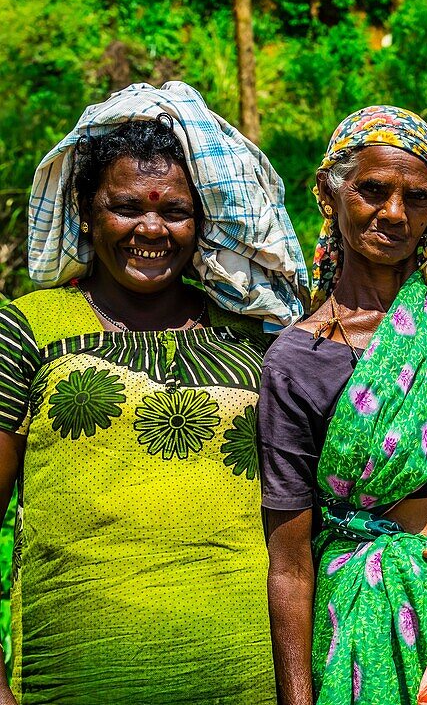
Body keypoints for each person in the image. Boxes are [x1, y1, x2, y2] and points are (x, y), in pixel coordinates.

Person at [0, 81, 310, 704]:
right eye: (125, 207)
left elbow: (300, 531)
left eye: (174, 211)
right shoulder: (29, 327)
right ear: (86, 212)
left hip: (244, 683)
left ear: (204, 224)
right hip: (72, 685)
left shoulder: (258, 342)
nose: (151, 229)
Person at [260, 106, 427, 705]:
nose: (394, 213)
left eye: (416, 197)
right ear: (332, 196)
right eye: (373, 191)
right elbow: (289, 564)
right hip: (363, 622)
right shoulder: (296, 358)